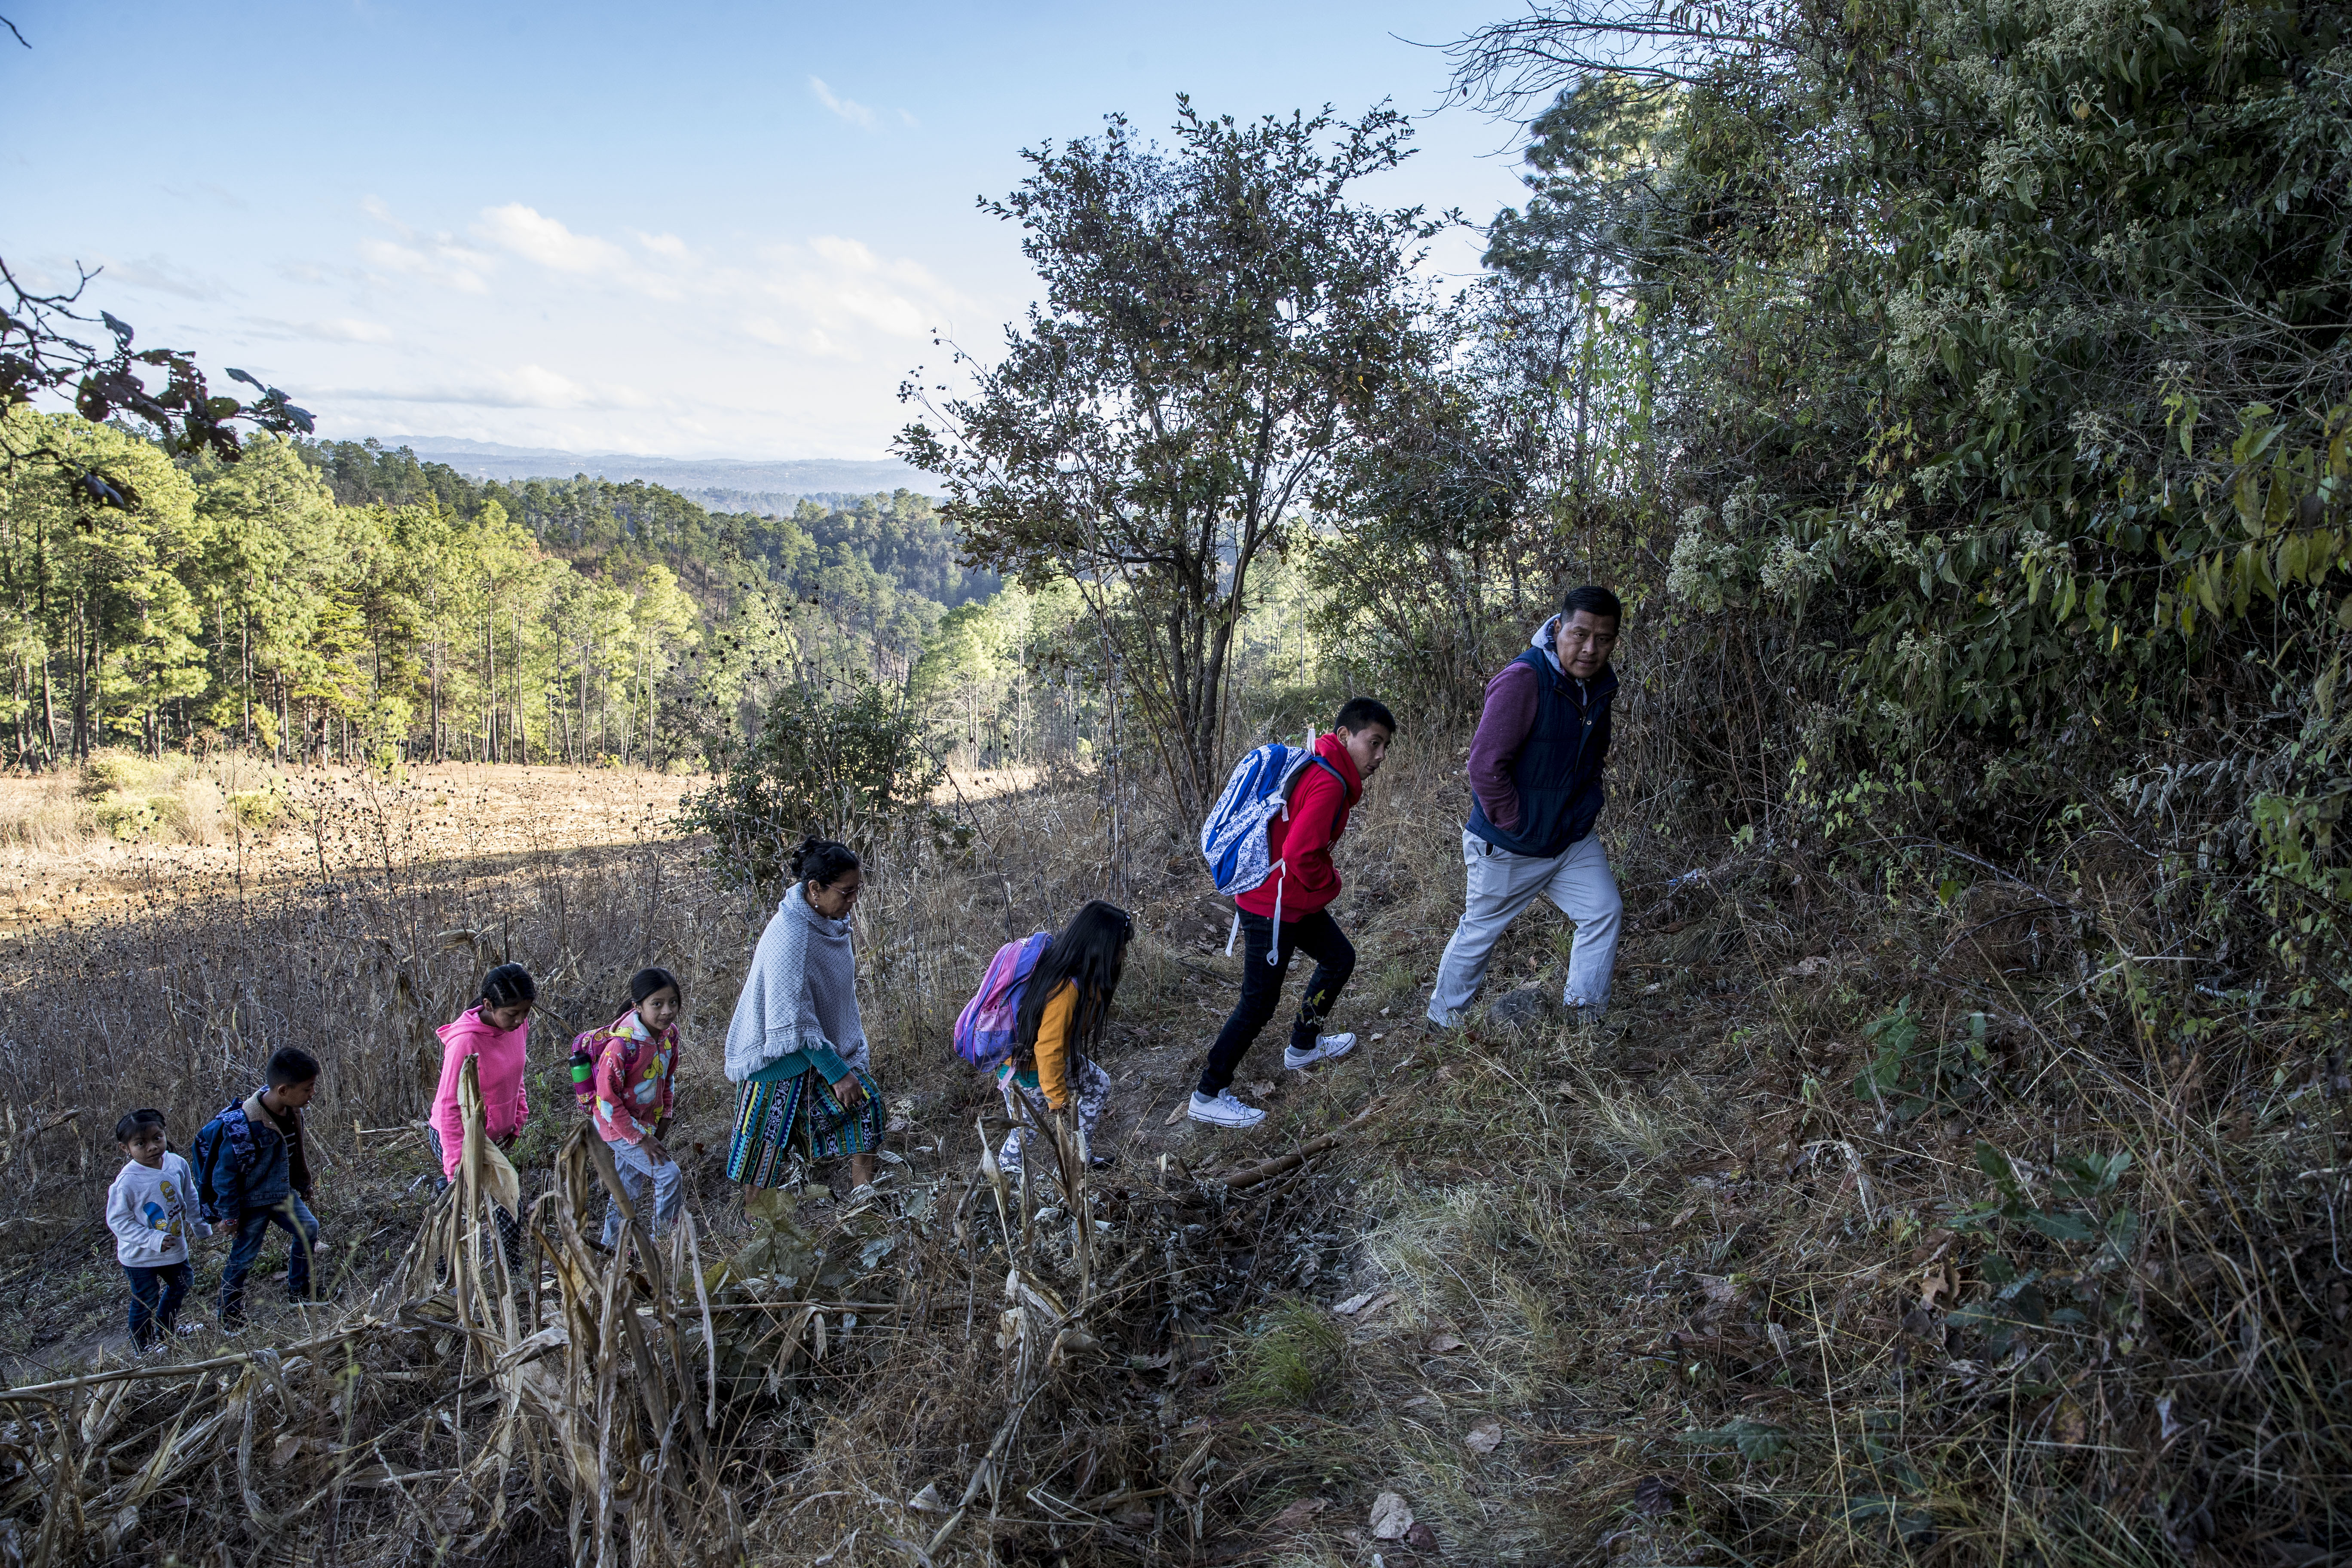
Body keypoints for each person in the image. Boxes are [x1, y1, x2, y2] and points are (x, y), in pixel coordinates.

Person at [1190, 698, 1396, 1129]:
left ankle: (1303, 1046)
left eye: (1385, 747)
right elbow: (1301, 855)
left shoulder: (1322, 764)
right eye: (1374, 743)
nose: (1380, 756)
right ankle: (1208, 1093)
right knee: (1259, 1003)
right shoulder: (1330, 783)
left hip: (1292, 901)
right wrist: (1332, 884)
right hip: (1272, 907)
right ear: (1345, 736)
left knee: (1340, 959)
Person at [1425, 584, 1625, 1028]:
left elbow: (1594, 759)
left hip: (1569, 838)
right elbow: (1483, 765)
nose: (1591, 649)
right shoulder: (1525, 679)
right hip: (1509, 842)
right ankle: (1443, 1022)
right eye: (1580, 634)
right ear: (1558, 628)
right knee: (1481, 932)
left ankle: (1583, 1021)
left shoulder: (1598, 685)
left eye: (1604, 639)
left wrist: (1583, 811)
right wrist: (1518, 821)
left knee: (1603, 910)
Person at [724, 837, 886, 1193]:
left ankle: (864, 1201)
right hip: (776, 1062)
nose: (853, 900)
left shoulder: (826, 924)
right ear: (815, 889)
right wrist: (838, 1073)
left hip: (813, 1054)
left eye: (857, 890)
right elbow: (792, 1023)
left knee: (867, 1107)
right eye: (847, 892)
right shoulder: (792, 936)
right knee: (761, 1152)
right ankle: (759, 1230)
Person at [995, 900, 1130, 1179]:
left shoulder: (1074, 971)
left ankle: (1080, 1159)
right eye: (1120, 948)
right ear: (1100, 948)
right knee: (1025, 1134)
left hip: (1041, 1064)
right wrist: (1057, 1099)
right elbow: (1049, 1048)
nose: (1124, 954)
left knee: (1097, 1084)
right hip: (1027, 1073)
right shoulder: (1066, 990)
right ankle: (1002, 1183)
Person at [195, 1046, 325, 1328]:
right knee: (243, 1257)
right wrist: (229, 1215)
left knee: (309, 1229)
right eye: (307, 1089)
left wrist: (304, 1185)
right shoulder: (244, 1124)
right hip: (252, 1203)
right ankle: (229, 1315)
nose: (312, 1094)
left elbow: (295, 1153)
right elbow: (224, 1175)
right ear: (282, 1090)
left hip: (281, 1194)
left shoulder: (293, 1112)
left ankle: (300, 1291)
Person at [427, 964, 535, 1266]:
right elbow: (449, 1107)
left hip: (493, 1135)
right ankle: (499, 1274)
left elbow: (517, 1074)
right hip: (460, 1137)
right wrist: (456, 1169)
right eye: (512, 1013)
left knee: (499, 1203)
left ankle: (500, 1270)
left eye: (525, 1013)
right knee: (505, 1204)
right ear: (488, 1005)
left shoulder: (517, 1026)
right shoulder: (466, 1042)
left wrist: (517, 1119)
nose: (519, 1020)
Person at [588, 966, 684, 1246]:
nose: (667, 1011)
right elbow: (606, 1100)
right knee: (669, 1176)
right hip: (616, 1125)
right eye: (657, 1004)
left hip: (645, 1124)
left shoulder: (670, 1036)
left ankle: (611, 1248)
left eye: (673, 1003)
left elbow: (667, 1077)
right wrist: (641, 1138)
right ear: (638, 1006)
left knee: (626, 1185)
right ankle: (662, 1247)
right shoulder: (621, 1046)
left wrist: (665, 1115)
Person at [106, 1109, 208, 1351]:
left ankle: (166, 1332)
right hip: (140, 1256)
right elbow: (118, 1221)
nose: (152, 1147)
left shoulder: (177, 1163)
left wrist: (199, 1224)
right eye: (141, 1144)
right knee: (146, 1299)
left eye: (157, 1138)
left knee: (183, 1283)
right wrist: (152, 1238)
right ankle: (142, 1347)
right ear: (126, 1149)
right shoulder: (127, 1182)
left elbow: (190, 1195)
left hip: (173, 1248)